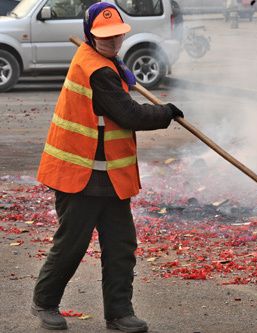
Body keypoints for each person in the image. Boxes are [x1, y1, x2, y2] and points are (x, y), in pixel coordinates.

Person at [31, 3, 183, 332]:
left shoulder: (107, 62)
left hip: (110, 175)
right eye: (105, 37)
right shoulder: (97, 69)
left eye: (117, 35)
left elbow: (118, 94)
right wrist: (166, 113)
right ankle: (44, 301)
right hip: (80, 175)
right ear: (91, 36)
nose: (113, 41)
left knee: (120, 246)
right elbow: (129, 115)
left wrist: (121, 68)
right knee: (71, 245)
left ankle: (119, 314)